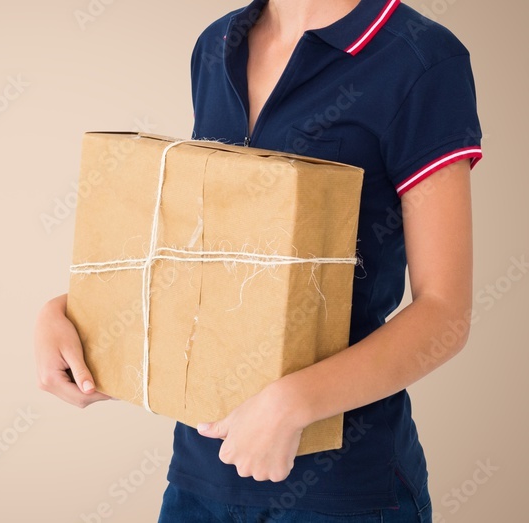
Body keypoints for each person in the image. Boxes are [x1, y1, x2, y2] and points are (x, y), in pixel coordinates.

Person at [34, 0, 484, 521]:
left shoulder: (420, 58)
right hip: (199, 476)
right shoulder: (217, 44)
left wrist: (294, 402)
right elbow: (217, 260)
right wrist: (69, 311)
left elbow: (445, 313)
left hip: (344, 490)